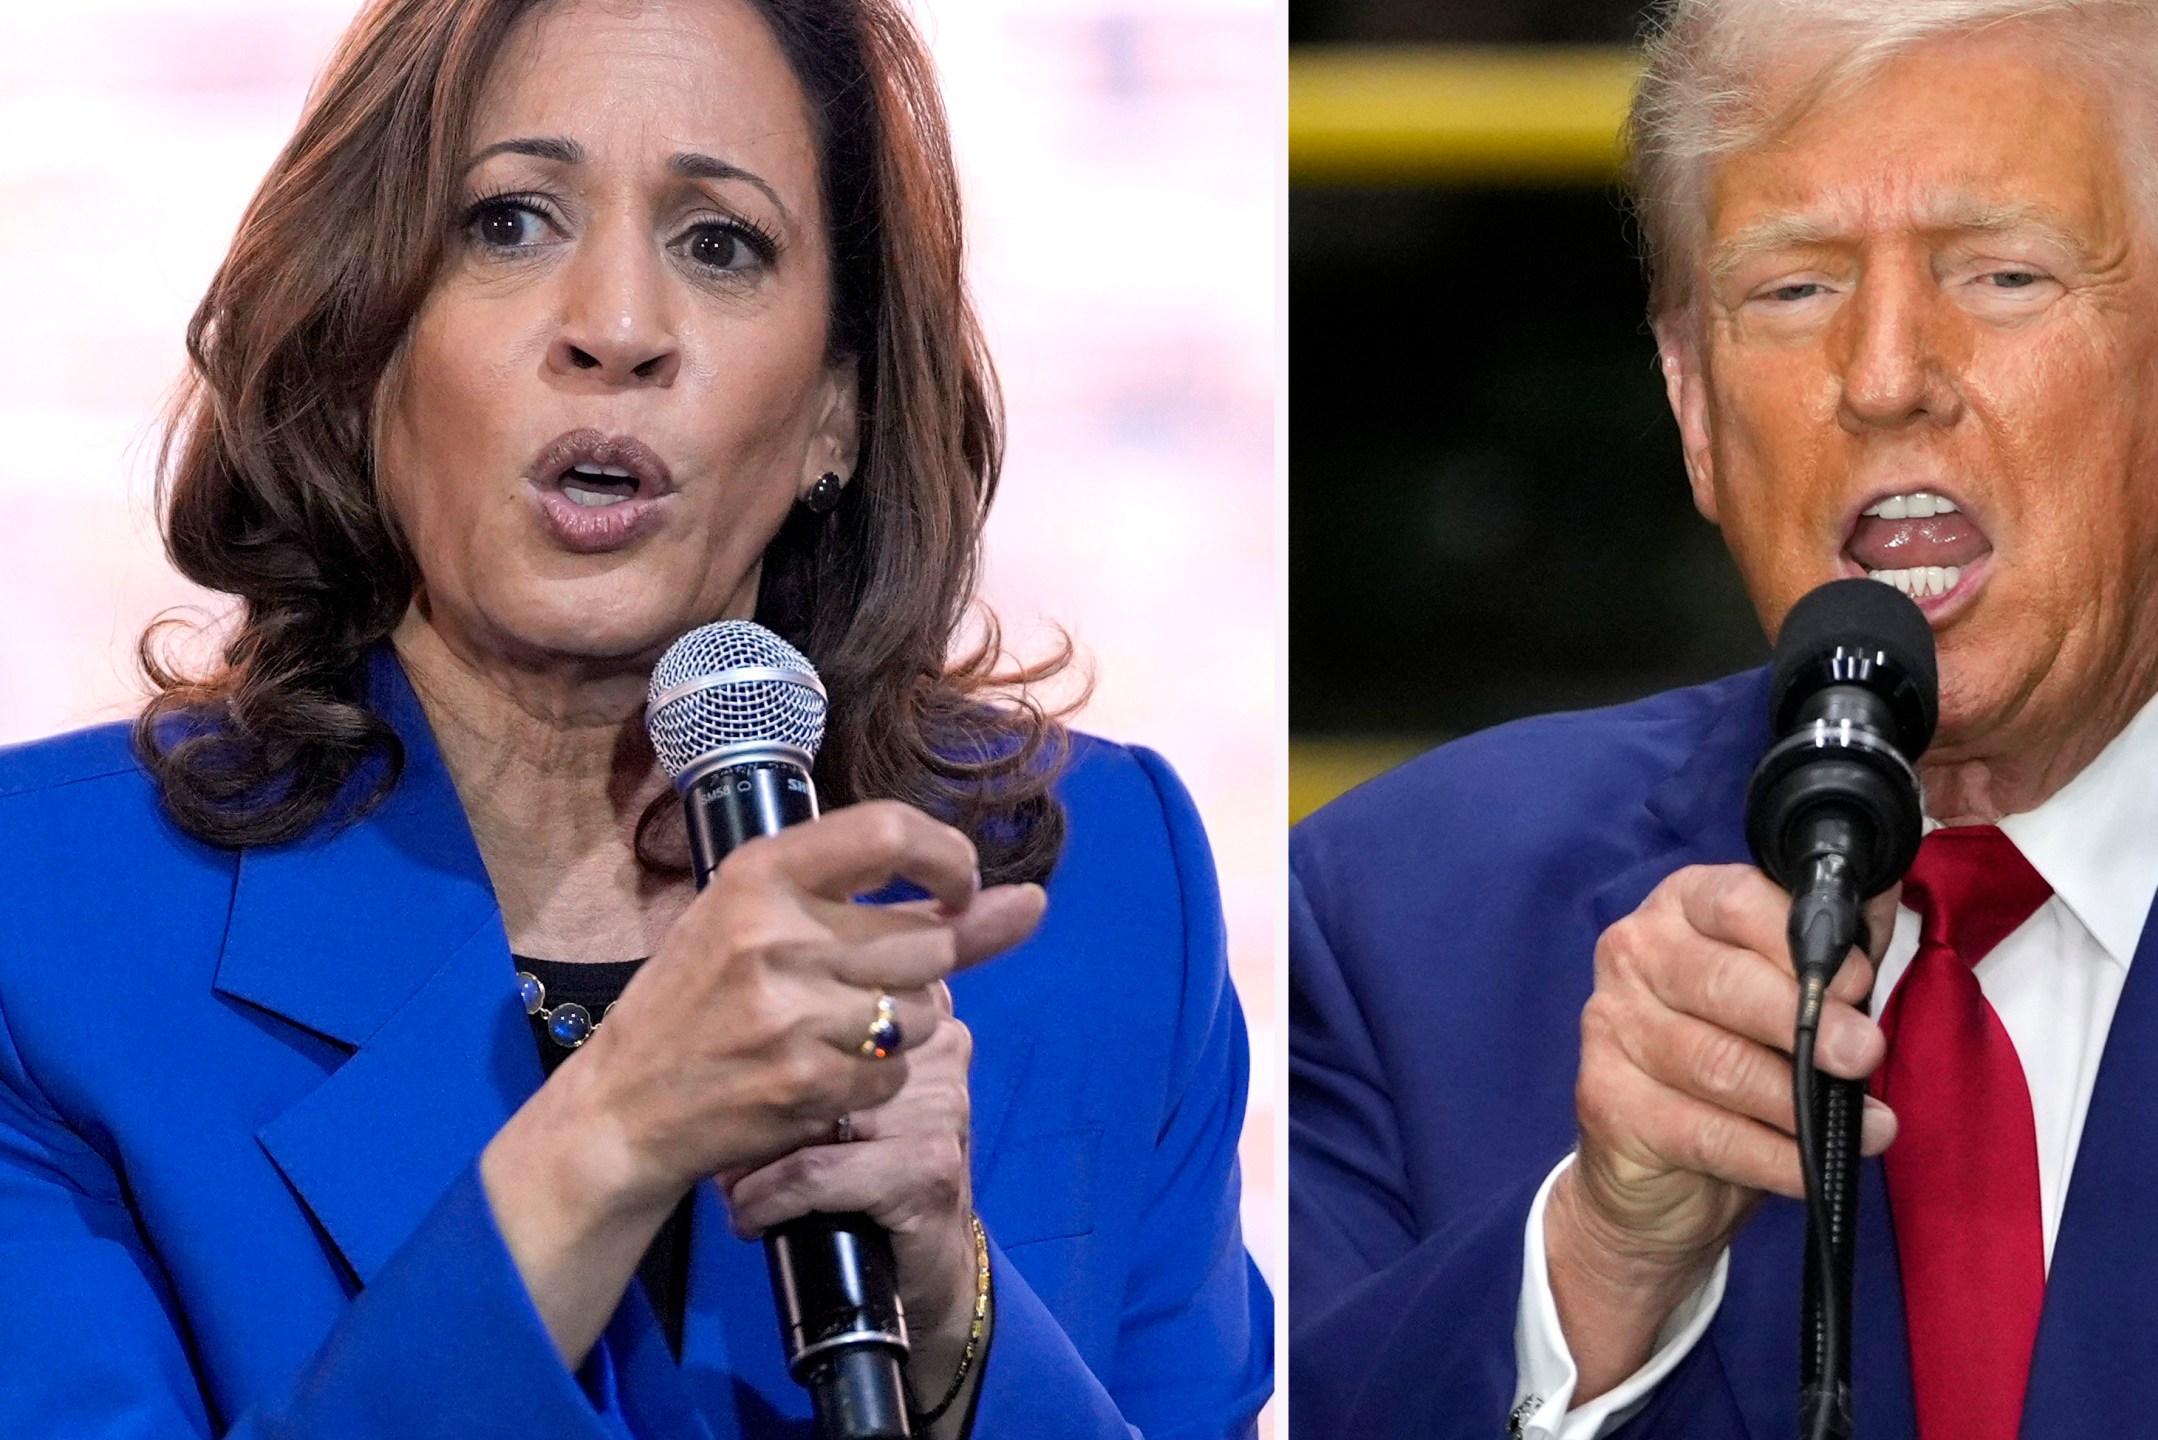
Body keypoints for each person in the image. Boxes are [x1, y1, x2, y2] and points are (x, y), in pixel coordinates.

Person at [0, 0, 1270, 1435]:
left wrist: (950, 1325)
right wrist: (612, 1136)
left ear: (836, 408)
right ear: (362, 340)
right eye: (510, 222)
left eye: (720, 243)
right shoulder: (44, 930)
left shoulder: (1103, 891)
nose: (615, 330)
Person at [1292, 1, 2158, 1437]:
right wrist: (1594, 1268)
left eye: (2005, 274)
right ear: (1693, 407)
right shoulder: (1385, 922)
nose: (1885, 374)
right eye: (1790, 290)